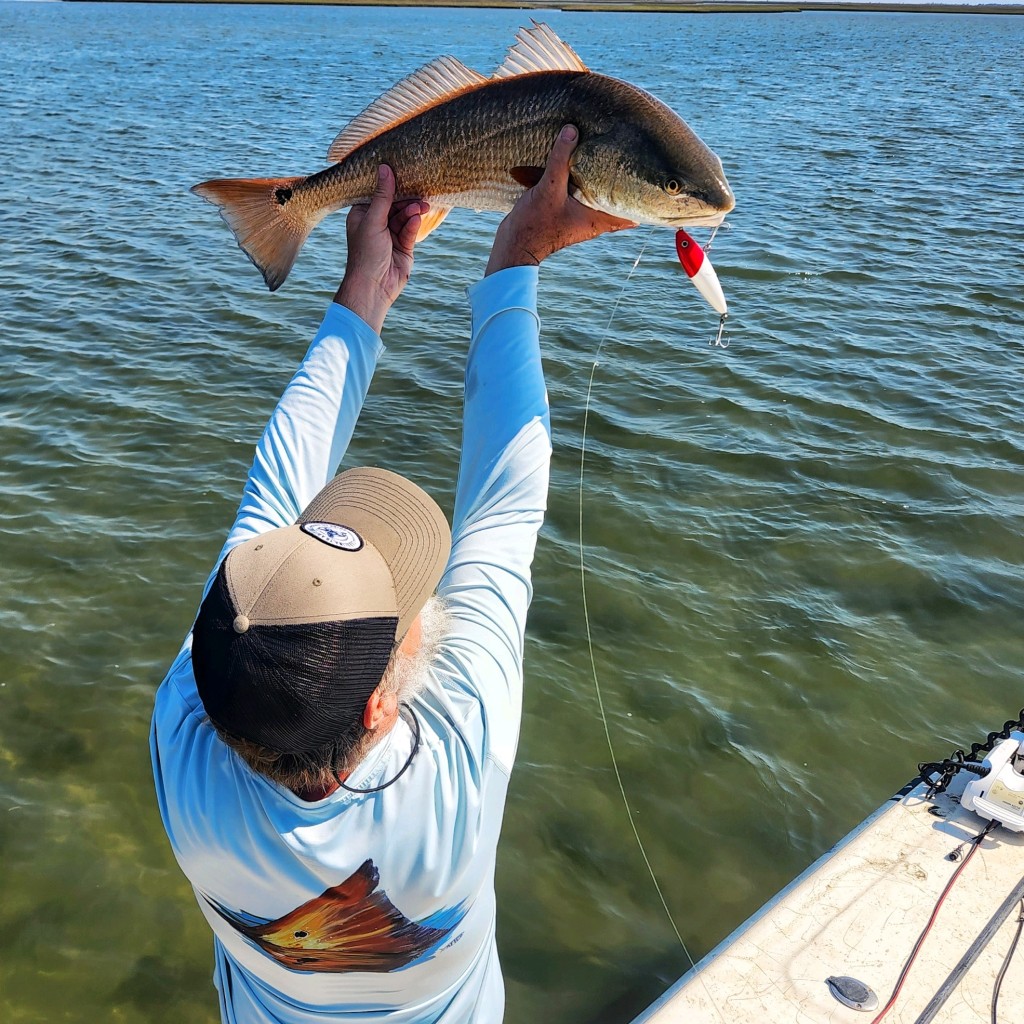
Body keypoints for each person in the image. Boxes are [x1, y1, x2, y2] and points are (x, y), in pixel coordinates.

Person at [150, 125, 635, 1024]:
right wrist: (513, 259)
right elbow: (503, 503)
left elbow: (486, 513)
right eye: (402, 604)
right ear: (380, 706)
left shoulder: (183, 741)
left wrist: (372, 286)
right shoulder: (455, 763)